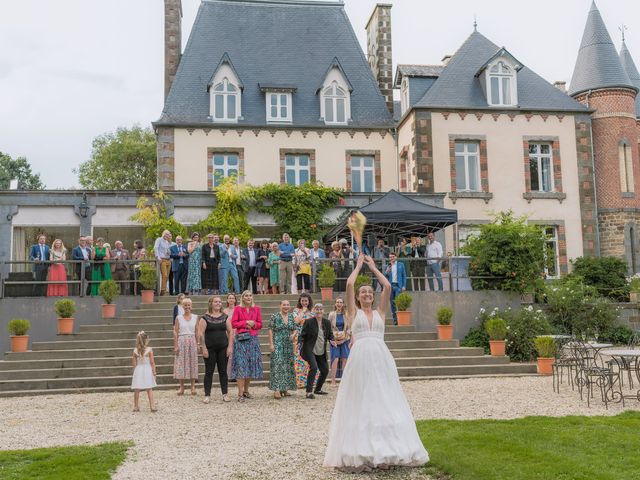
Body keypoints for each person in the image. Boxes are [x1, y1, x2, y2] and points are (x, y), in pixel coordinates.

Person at [323, 254, 429, 471]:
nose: (368, 294)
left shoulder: (381, 311)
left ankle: (388, 449)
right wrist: (359, 265)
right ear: (359, 298)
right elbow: (350, 283)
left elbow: (388, 286)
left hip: (381, 358)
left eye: (370, 292)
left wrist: (373, 268)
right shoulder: (353, 313)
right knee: (363, 399)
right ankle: (361, 450)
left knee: (384, 398)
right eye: (364, 293)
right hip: (361, 358)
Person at [198, 296, 233, 403]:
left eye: (219, 302)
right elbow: (200, 333)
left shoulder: (225, 317)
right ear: (211, 303)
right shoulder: (204, 318)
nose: (218, 303)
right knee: (209, 372)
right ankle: (207, 395)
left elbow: (231, 332)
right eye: (215, 302)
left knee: (223, 371)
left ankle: (225, 394)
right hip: (209, 348)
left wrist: (230, 346)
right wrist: (203, 348)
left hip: (223, 347)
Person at [230, 291, 263, 402]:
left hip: (253, 340)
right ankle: (240, 393)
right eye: (246, 296)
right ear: (243, 298)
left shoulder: (257, 308)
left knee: (250, 365)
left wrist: (254, 324)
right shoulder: (238, 309)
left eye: (250, 296)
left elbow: (260, 324)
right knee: (241, 366)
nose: (248, 297)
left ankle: (246, 391)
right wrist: (246, 322)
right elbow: (234, 323)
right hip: (241, 340)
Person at [299, 302, 334, 399]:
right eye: (317, 309)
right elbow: (302, 335)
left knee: (325, 370)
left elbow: (330, 334)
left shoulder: (327, 322)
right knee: (314, 367)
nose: (319, 311)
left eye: (320, 309)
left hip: (321, 350)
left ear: (323, 311)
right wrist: (300, 343)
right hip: (310, 349)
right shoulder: (309, 322)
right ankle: (309, 392)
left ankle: (318, 389)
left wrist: (332, 340)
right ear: (314, 311)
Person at [268, 299, 297, 399]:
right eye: (284, 305)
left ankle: (284, 388)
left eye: (287, 305)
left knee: (287, 365)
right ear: (280, 306)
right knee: (277, 365)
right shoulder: (275, 316)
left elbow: (294, 329)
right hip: (277, 343)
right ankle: (276, 389)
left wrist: (293, 334)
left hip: (288, 344)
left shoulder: (291, 316)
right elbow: (270, 330)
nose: (286, 306)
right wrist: (271, 344)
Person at [173, 297, 199, 395]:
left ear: (191, 306)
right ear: (182, 306)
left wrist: (198, 343)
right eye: (185, 305)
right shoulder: (178, 317)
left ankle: (193, 386)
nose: (187, 307)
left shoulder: (196, 317)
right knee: (181, 363)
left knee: (193, 363)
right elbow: (175, 332)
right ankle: (181, 387)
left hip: (192, 341)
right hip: (181, 340)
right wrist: (175, 345)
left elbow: (197, 331)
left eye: (189, 305)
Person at [131, 331, 157, 412]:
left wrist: (135, 371)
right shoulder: (149, 350)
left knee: (137, 389)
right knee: (149, 389)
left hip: (138, 369)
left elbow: (134, 364)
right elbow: (152, 362)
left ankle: (136, 406)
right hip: (147, 369)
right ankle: (152, 406)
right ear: (146, 340)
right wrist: (154, 372)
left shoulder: (135, 351)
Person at [293, 293, 314, 389]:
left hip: (310, 338)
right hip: (299, 337)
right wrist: (303, 311)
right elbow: (296, 321)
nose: (304, 302)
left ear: (309, 301)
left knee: (311, 358)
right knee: (300, 359)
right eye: (303, 301)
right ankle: (300, 381)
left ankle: (311, 381)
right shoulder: (296, 311)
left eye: (306, 301)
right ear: (300, 301)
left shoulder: (312, 312)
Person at [328, 297, 350, 386]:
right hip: (334, 340)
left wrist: (344, 338)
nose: (339, 304)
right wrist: (332, 339)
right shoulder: (331, 314)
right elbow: (328, 328)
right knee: (335, 359)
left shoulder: (347, 315)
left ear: (343, 304)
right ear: (335, 304)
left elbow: (349, 328)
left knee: (345, 359)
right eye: (337, 302)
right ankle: (333, 380)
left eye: (341, 302)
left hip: (345, 340)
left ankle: (343, 380)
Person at [385, 252, 407, 325]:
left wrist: (404, 286)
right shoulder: (388, 266)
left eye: (393, 256)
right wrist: (387, 272)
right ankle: (395, 320)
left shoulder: (401, 265)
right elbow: (385, 277)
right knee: (392, 303)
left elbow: (404, 276)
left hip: (398, 286)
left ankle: (401, 319)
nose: (392, 258)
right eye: (390, 257)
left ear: (396, 257)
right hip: (391, 286)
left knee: (398, 302)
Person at [154, 230, 172, 296]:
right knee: (164, 275)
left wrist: (170, 243)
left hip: (168, 260)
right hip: (162, 259)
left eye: (168, 234)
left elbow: (168, 251)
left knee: (166, 276)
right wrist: (158, 257)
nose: (167, 235)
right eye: (166, 234)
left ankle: (165, 289)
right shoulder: (159, 239)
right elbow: (156, 248)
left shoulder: (167, 242)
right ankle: (163, 291)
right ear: (163, 233)